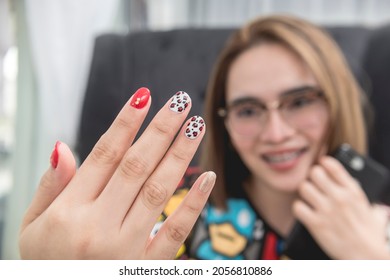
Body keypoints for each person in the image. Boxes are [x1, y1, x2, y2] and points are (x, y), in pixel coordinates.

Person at [19, 15, 390, 260]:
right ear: (223, 122)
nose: (277, 133)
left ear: (337, 103)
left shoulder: (380, 227)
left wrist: (372, 259)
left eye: (300, 102)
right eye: (248, 110)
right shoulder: (162, 209)